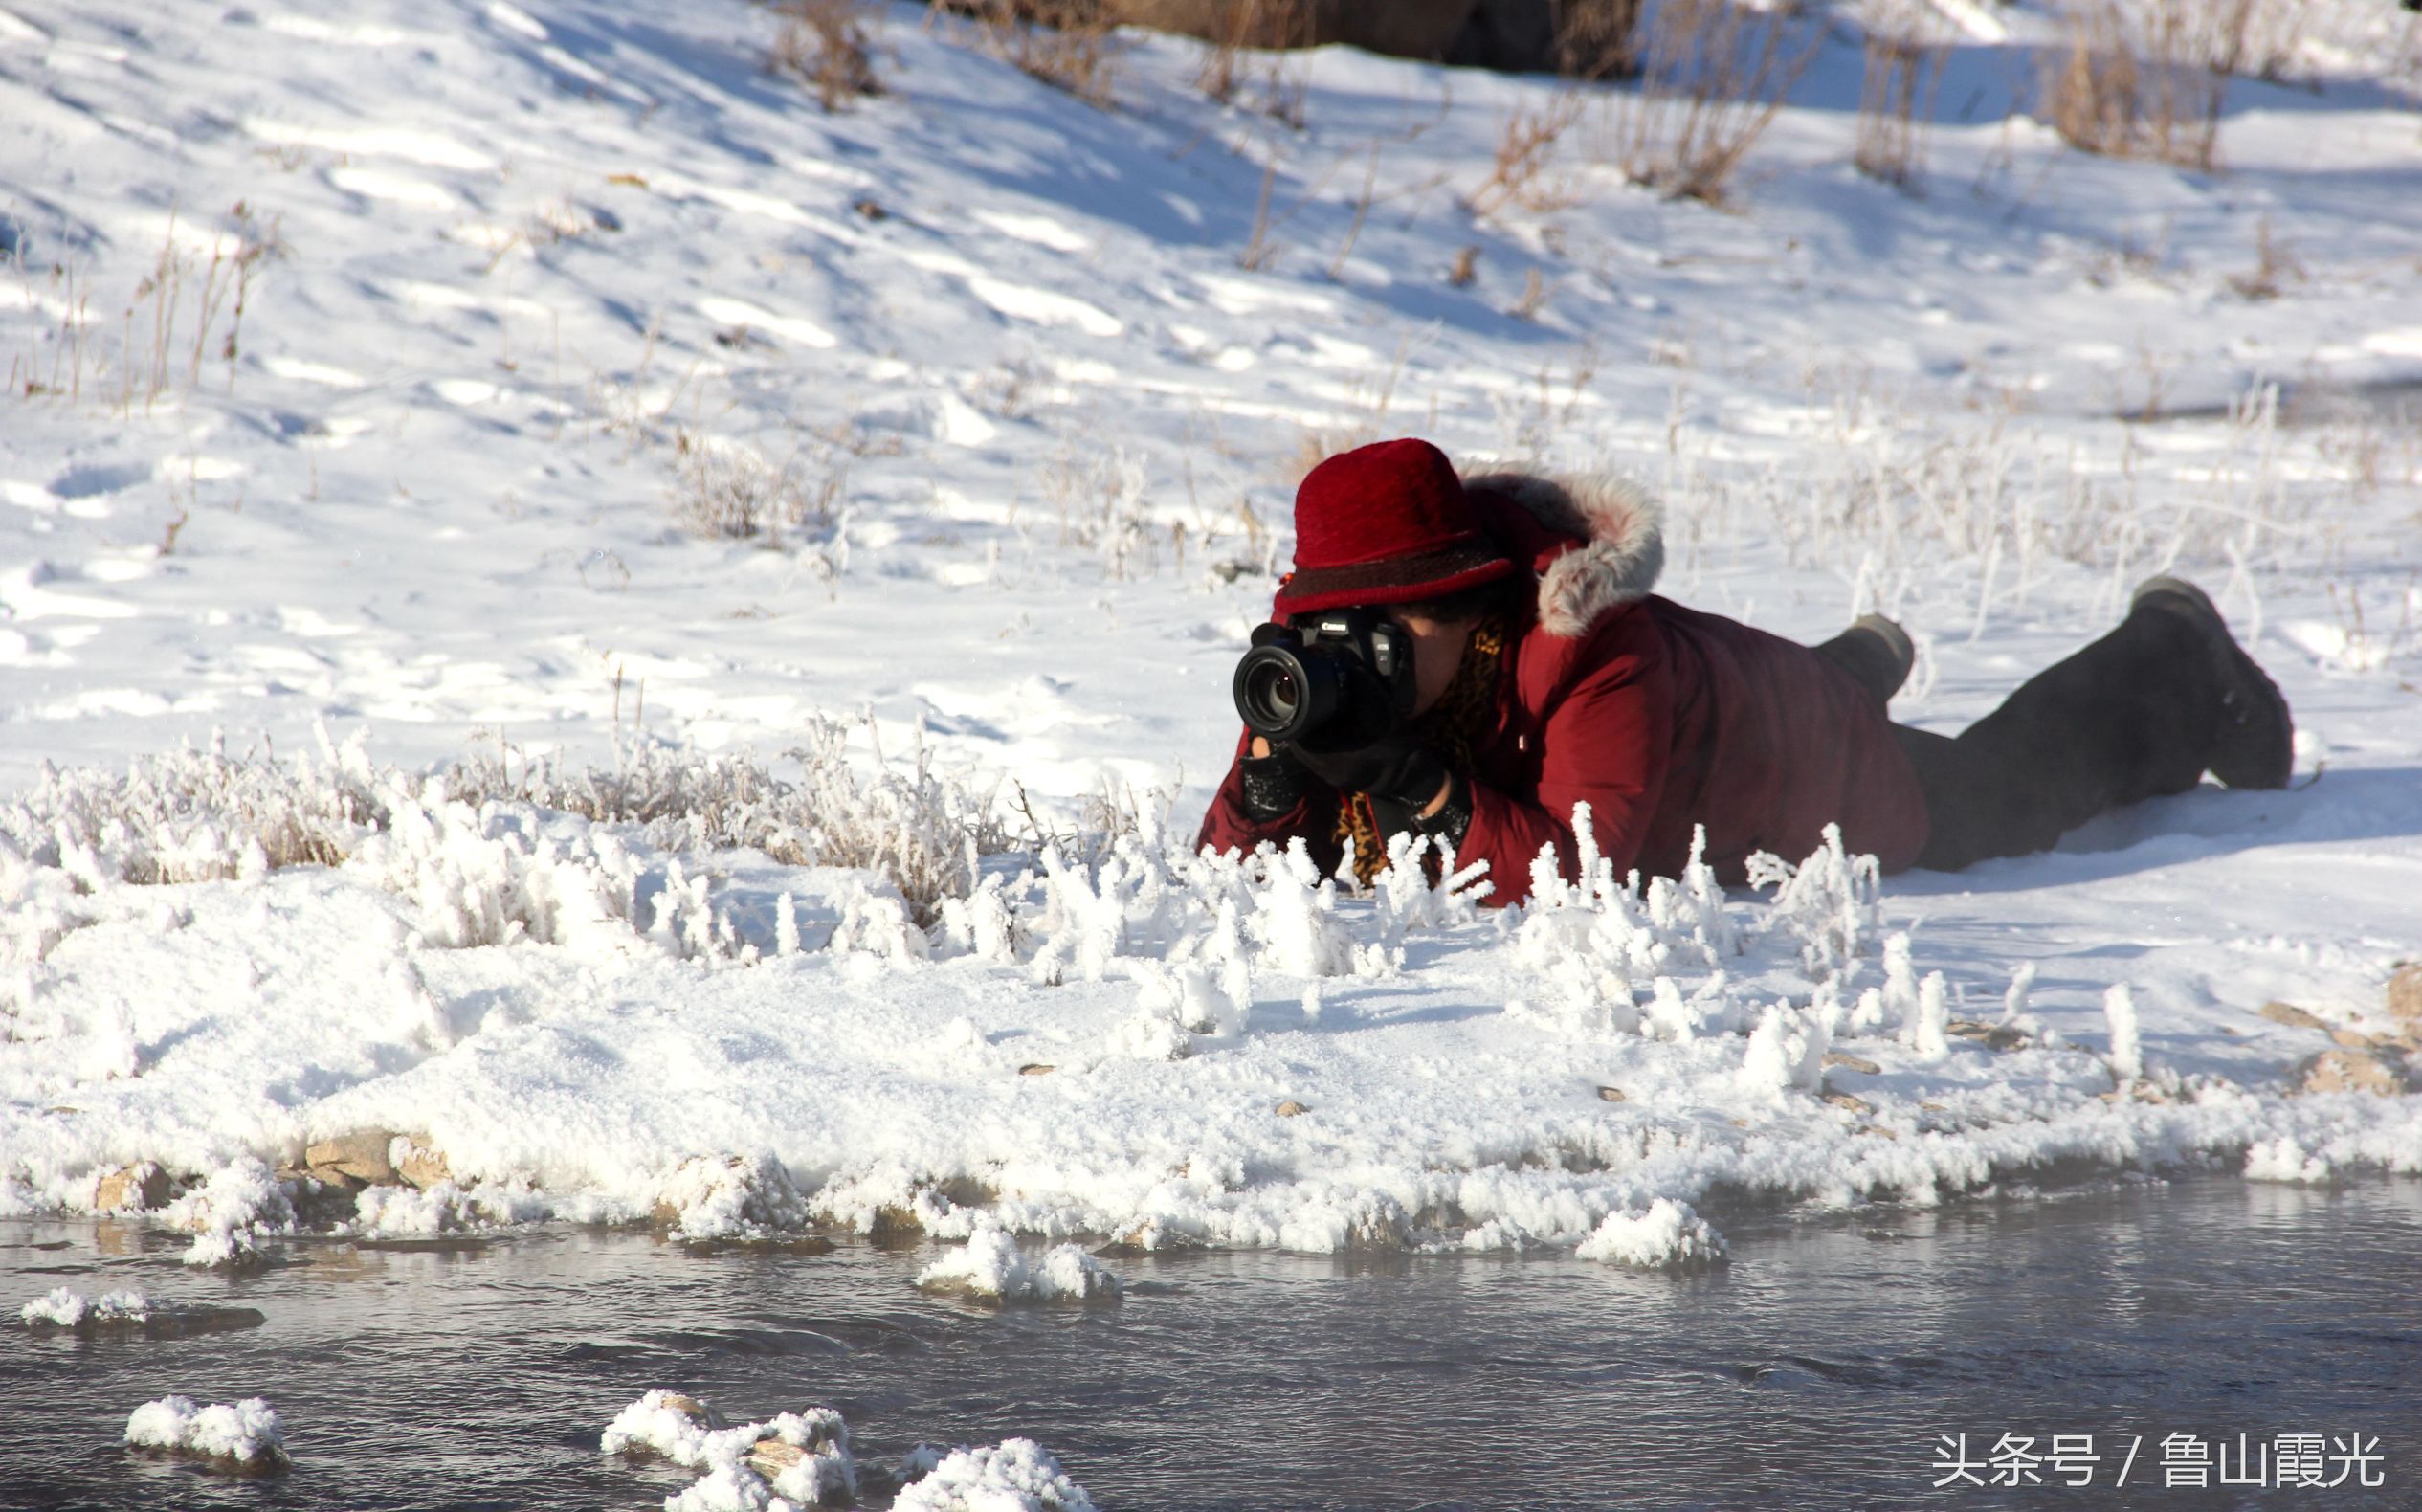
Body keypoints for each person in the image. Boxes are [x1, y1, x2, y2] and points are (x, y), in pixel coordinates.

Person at [1195, 437, 2293, 904]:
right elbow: (1218, 877)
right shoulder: (1368, 676)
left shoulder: (1590, 649)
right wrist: (1270, 785)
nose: (1352, 660)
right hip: (1706, 718)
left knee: (1997, 797)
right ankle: (1854, 664)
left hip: (1799, 774)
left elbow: (1580, 878)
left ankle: (2171, 653)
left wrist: (1408, 781)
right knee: (1748, 704)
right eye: (1329, 628)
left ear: (1467, 601)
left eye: (1378, 631)